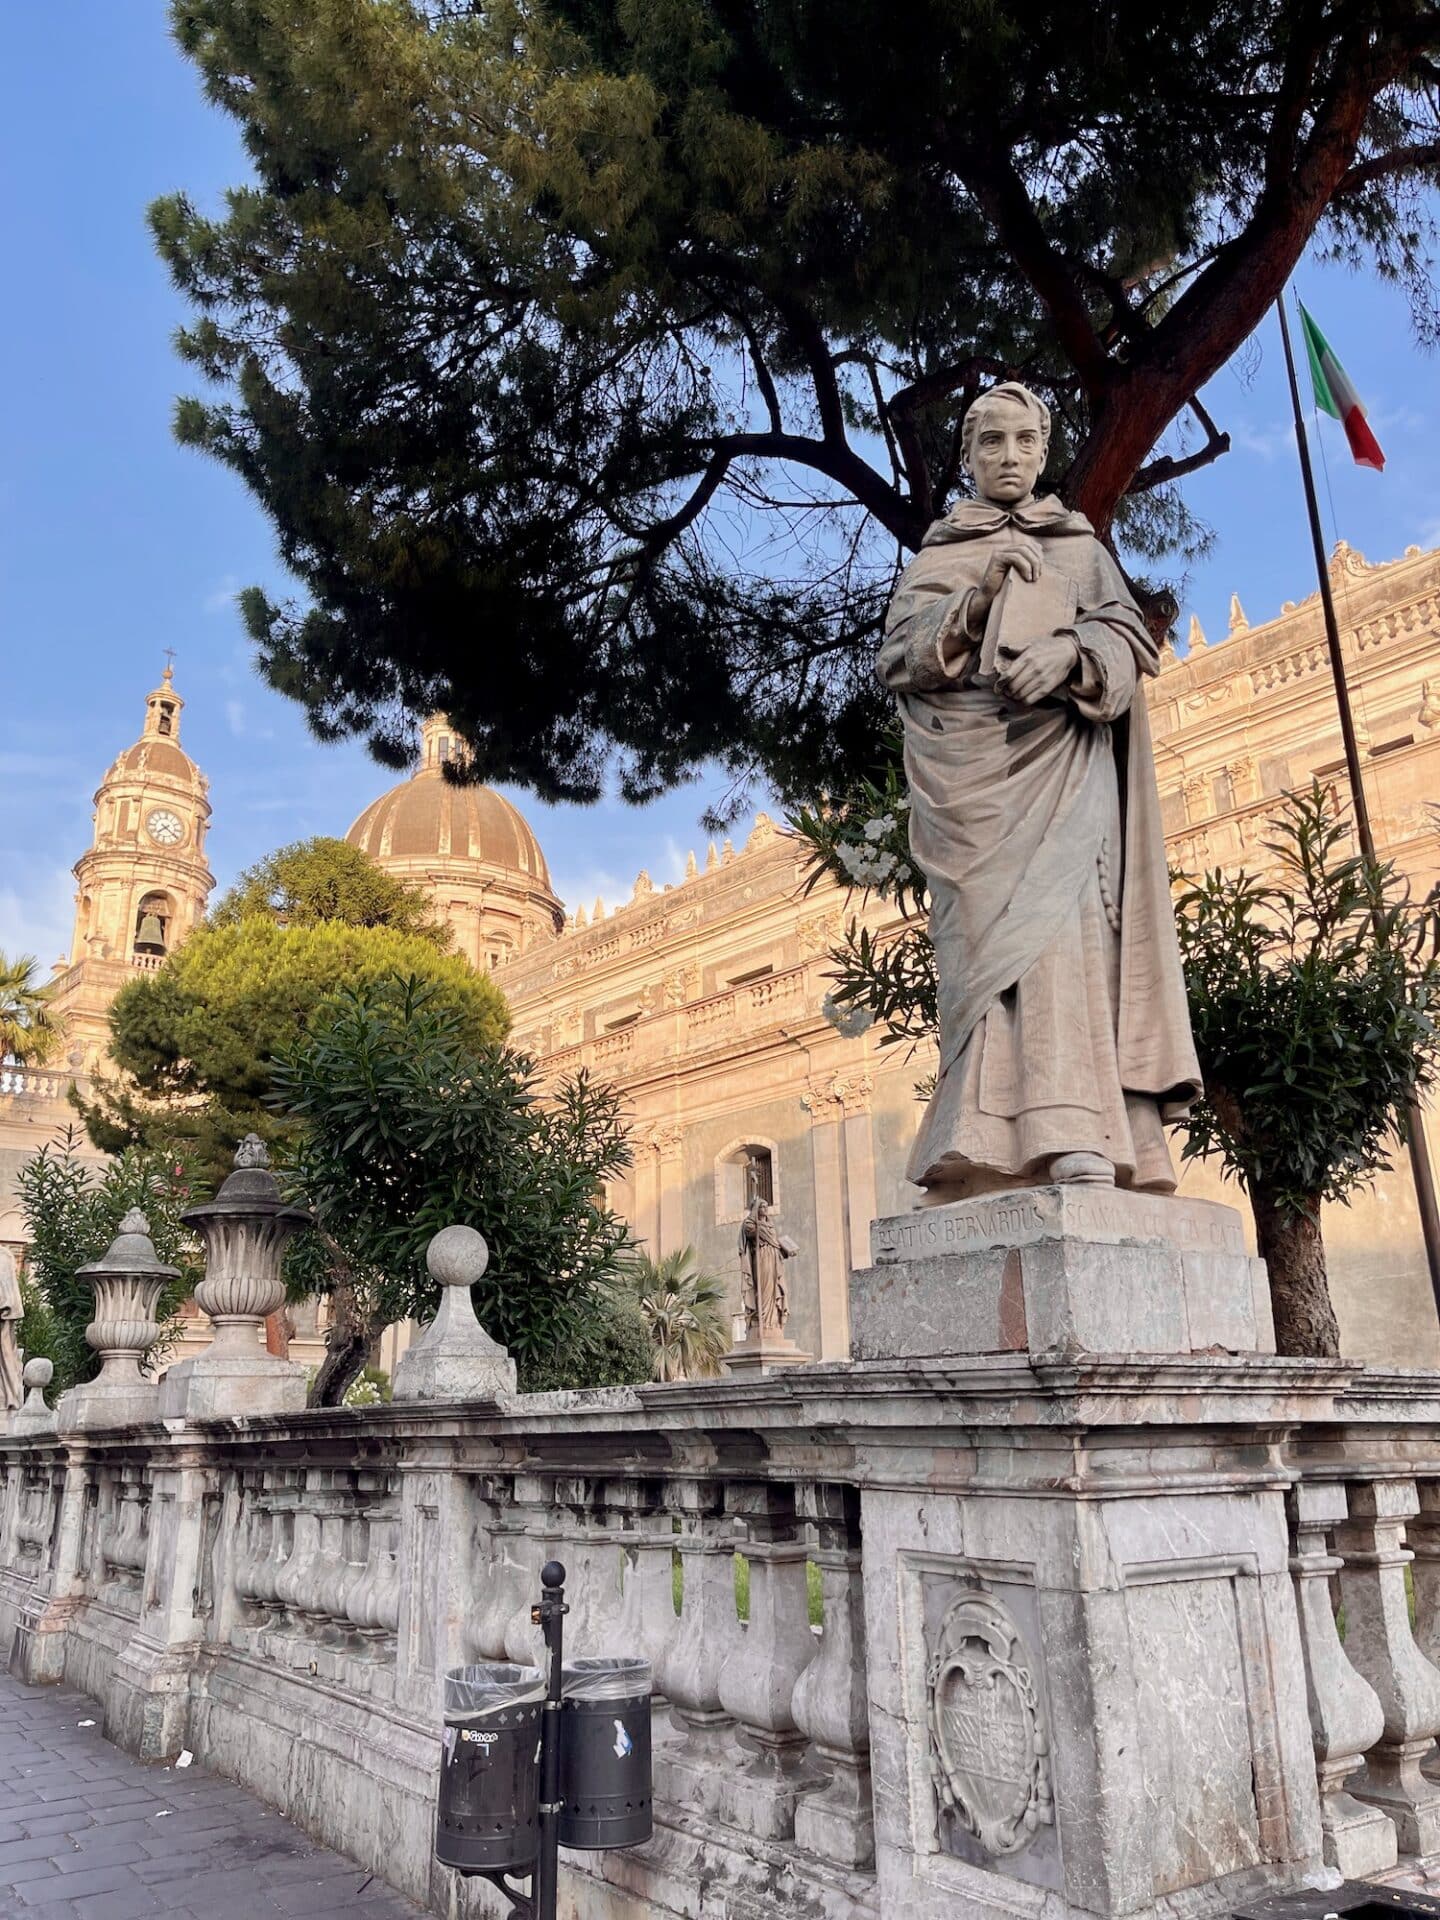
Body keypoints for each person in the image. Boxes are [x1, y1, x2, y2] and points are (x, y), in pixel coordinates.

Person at [877, 380, 1200, 1204]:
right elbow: (897, 660)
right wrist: (978, 597)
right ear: (968, 457)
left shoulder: (1081, 550)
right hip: (969, 795)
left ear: (1045, 451)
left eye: (1025, 441)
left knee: (1063, 946)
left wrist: (1075, 655)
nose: (1010, 457)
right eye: (992, 443)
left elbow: (1128, 646)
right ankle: (979, 1146)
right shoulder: (939, 557)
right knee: (980, 965)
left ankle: (1076, 1132)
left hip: (1064, 774)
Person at [738, 1196, 796, 1335]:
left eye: (766, 1206)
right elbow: (749, 1232)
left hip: (774, 1258)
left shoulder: (770, 1225)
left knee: (774, 1288)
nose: (765, 1209)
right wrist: (756, 1226)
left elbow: (776, 1243)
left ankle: (772, 1321)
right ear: (756, 1209)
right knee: (764, 1288)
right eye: (761, 1206)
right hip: (762, 1257)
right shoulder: (750, 1224)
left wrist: (787, 1251)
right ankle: (761, 1320)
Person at [0, 1247, 24, 1411]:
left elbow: (6, 1296)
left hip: (3, 1315)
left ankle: (11, 1398)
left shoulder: (3, 1256)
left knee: (6, 1354)